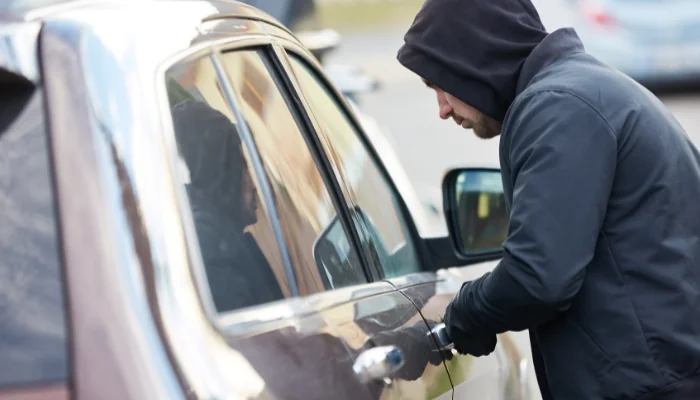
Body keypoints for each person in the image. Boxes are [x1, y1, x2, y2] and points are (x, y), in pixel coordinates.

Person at [397, 0, 700, 399]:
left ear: (471, 59)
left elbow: (537, 277)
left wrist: (456, 319)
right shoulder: (585, 90)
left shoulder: (558, 106)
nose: (442, 108)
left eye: (439, 83)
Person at [171, 100, 284, 312]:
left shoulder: (221, 235)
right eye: (243, 165)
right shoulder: (208, 243)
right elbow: (252, 341)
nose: (254, 183)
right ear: (224, 172)